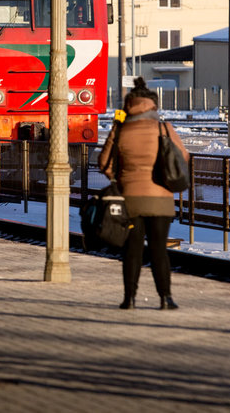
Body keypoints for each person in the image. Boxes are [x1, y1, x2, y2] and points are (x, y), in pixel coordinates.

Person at [98, 77, 189, 310]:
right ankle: (166, 298)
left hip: (130, 201)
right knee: (159, 250)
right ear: (153, 105)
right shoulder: (164, 128)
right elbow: (183, 158)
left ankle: (129, 299)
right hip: (161, 200)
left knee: (132, 250)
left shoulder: (120, 129)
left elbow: (104, 163)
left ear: (129, 105)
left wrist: (119, 179)